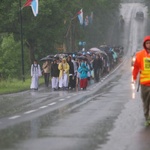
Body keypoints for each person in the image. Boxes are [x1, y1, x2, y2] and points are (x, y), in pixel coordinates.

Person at [132, 35, 150, 126]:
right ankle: (147, 117)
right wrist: (134, 77)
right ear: (144, 44)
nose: (148, 44)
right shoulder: (140, 55)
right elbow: (135, 67)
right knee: (145, 102)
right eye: (147, 43)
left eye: (149, 43)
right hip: (144, 84)